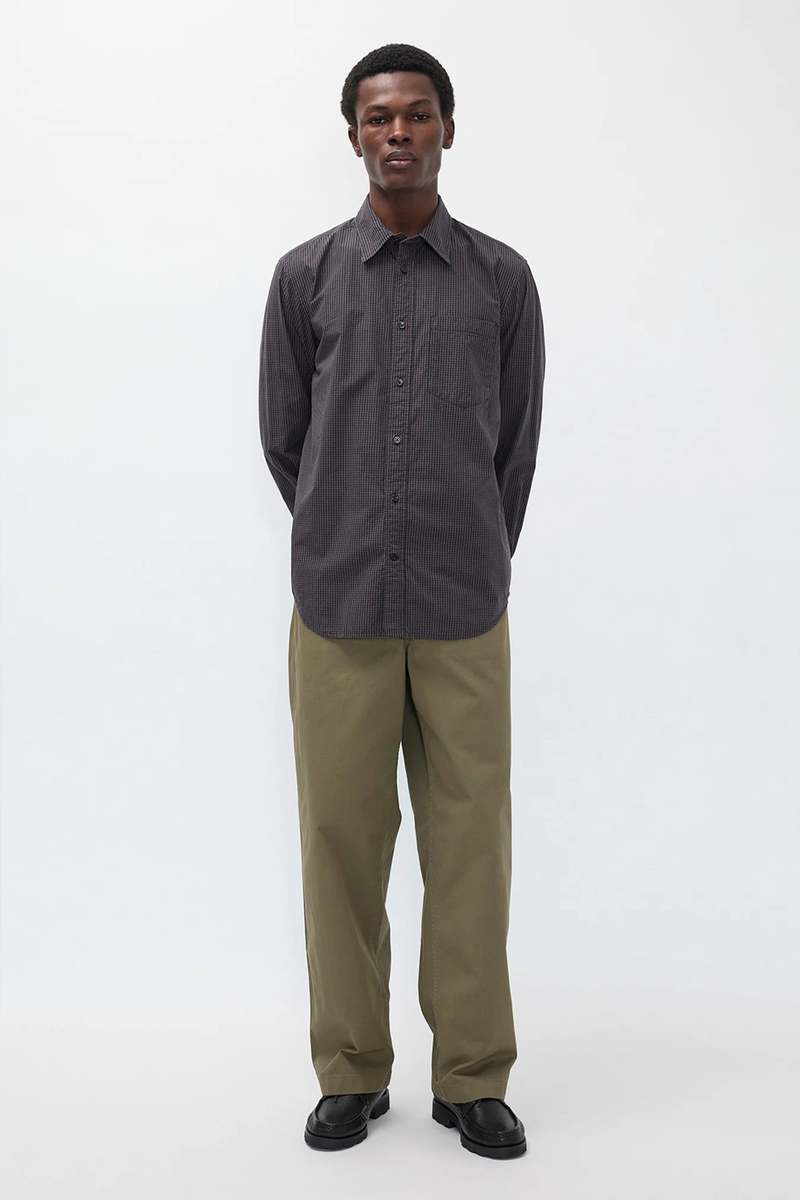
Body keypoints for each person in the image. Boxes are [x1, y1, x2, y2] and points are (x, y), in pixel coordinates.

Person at [258, 42, 545, 1159]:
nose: (397, 133)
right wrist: (341, 530)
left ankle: (473, 1076)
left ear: (446, 131)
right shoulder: (305, 278)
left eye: (417, 114)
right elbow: (286, 441)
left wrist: (471, 544)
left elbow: (515, 447)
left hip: (465, 602)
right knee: (339, 842)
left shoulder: (502, 280)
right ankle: (351, 1072)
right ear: (353, 135)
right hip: (339, 607)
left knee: (472, 846)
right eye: (378, 117)